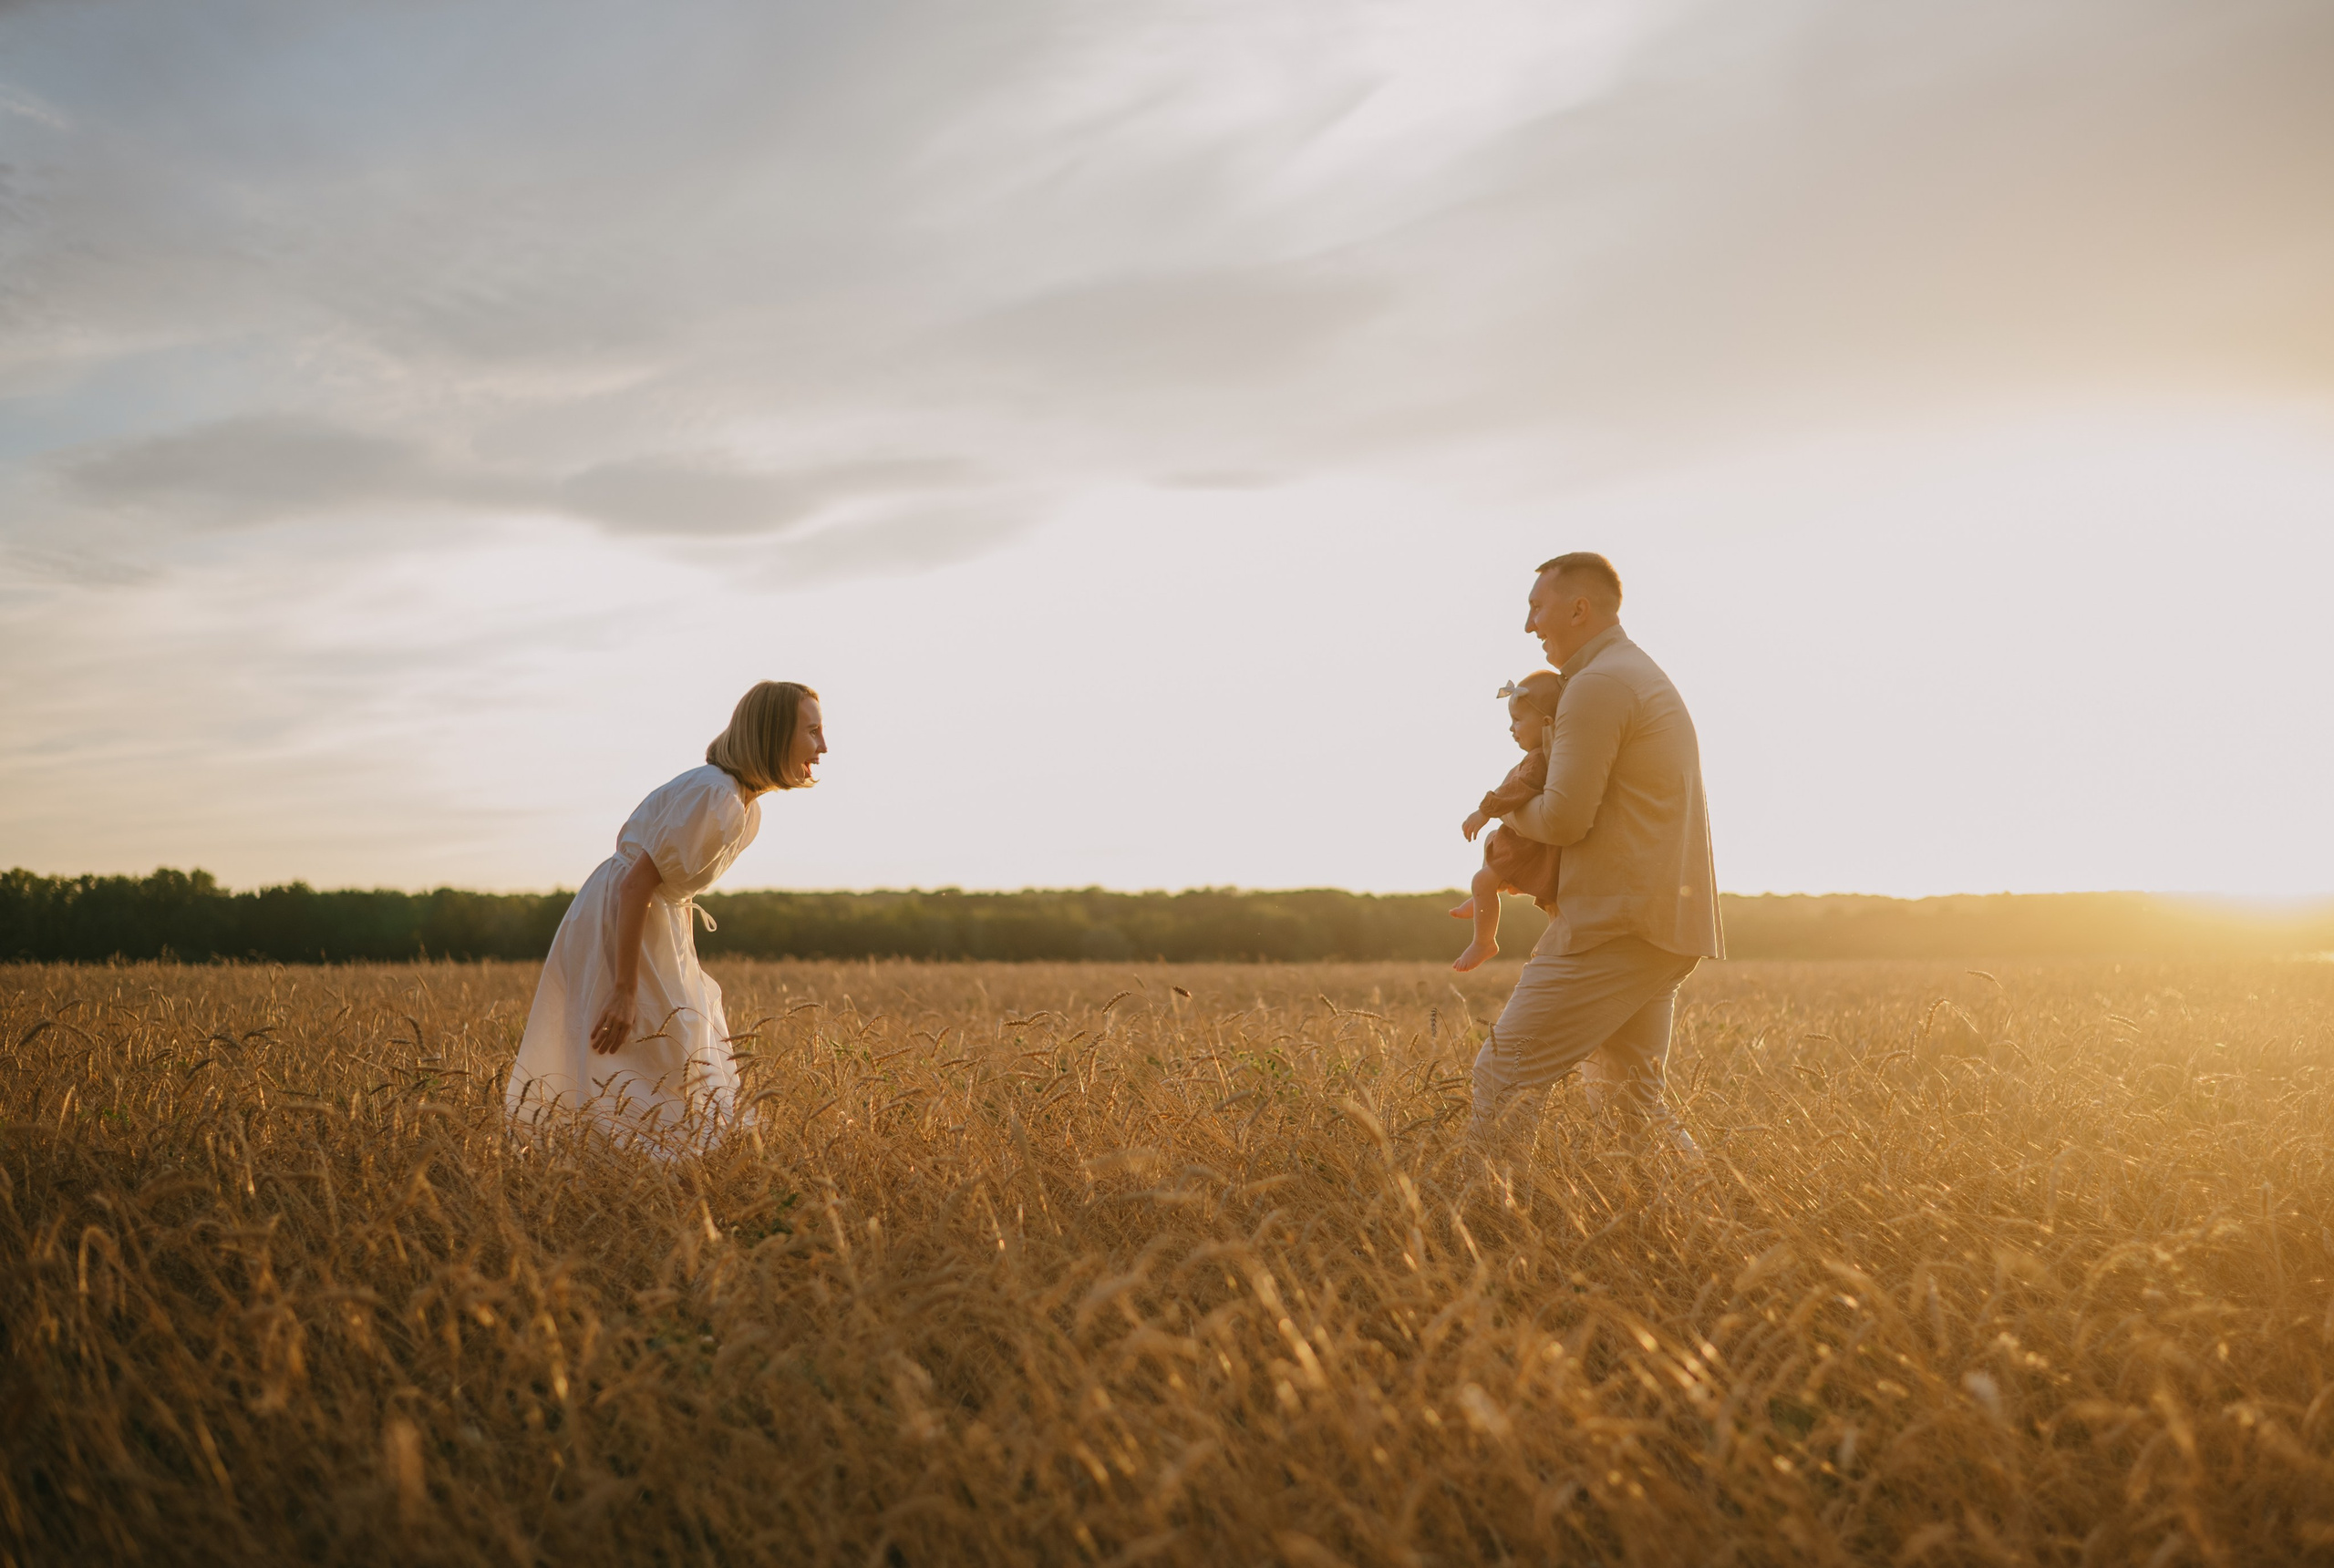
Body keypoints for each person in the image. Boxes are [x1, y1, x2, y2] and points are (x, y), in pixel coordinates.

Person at [1469, 552, 1721, 1157]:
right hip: (1658, 925)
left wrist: (1502, 811)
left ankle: (1489, 1237)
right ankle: (1719, 1221)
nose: (1530, 625)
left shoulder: (1599, 684)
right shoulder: (1627, 674)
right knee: (1632, 1110)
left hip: (1615, 927)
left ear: (1579, 609)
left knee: (1501, 1078)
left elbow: (1561, 818)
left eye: (1538, 607)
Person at [504, 680, 827, 1148]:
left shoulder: (742, 806)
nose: (822, 746)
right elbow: (636, 885)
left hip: (656, 923)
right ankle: (619, 1173)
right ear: (775, 734)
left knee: (673, 1050)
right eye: (813, 731)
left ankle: (650, 1179)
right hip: (621, 919)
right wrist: (623, 989)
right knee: (639, 1050)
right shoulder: (714, 795)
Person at [1450, 670, 1565, 972]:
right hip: (1521, 839)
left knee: (1481, 878)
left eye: (1517, 721)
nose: (1511, 729)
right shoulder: (1537, 757)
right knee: (1490, 846)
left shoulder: (1539, 760)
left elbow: (1516, 790)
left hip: (1529, 847)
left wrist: (1485, 810)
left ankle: (1484, 941)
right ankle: (1484, 896)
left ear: (1546, 723)